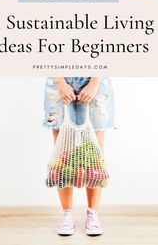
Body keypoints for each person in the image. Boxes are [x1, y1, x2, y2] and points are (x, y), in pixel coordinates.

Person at [44, 77, 114, 236]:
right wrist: (60, 82)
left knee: (94, 155)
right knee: (62, 153)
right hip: (58, 81)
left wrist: (94, 83)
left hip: (96, 79)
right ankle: (67, 213)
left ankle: (92, 213)